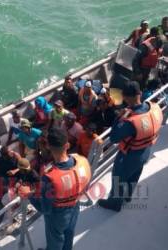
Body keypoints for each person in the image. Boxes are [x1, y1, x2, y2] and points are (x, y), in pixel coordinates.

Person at [19, 128, 91, 250]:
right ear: (67, 145)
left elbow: (45, 208)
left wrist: (29, 194)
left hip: (58, 215)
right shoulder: (80, 160)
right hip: (75, 207)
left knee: (55, 240)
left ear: (49, 147)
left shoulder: (50, 177)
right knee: (69, 234)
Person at [98, 81, 163, 212]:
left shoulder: (130, 121)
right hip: (145, 152)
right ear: (139, 93)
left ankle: (114, 204)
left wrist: (120, 117)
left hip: (129, 157)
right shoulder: (153, 107)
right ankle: (127, 196)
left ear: (126, 97)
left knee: (119, 178)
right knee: (134, 175)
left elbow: (114, 137)